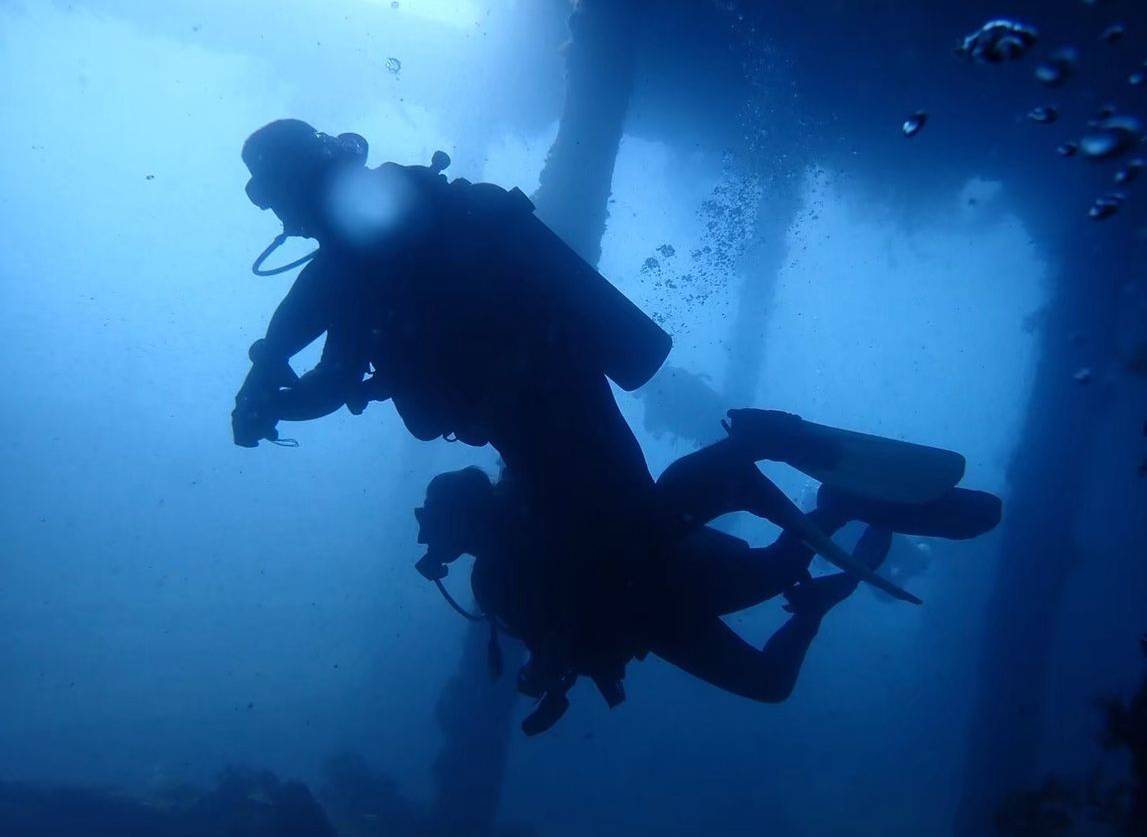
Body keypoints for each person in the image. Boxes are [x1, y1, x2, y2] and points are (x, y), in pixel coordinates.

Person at [232, 119, 669, 566]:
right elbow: (318, 333)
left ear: (294, 183)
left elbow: (334, 372)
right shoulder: (386, 229)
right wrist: (267, 384)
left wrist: (269, 400)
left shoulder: (360, 255)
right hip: (553, 389)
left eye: (269, 195)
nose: (277, 214)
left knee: (624, 545)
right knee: (630, 529)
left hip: (529, 404)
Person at [413, 413, 1002, 734]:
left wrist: (551, 661)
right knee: (770, 680)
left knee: (769, 568)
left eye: (434, 523)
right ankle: (822, 520)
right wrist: (548, 668)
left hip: (670, 570)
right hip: (656, 618)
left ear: (466, 516)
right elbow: (560, 636)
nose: (428, 539)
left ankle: (776, 473)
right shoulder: (492, 578)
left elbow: (608, 506)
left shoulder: (529, 512)